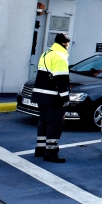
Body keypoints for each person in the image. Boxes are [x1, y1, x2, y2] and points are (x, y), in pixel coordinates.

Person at [31, 33, 71, 163]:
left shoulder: (46, 54)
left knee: (43, 122)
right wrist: (65, 98)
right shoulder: (60, 57)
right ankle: (51, 152)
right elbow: (61, 80)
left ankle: (40, 149)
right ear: (65, 44)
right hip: (53, 98)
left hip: (40, 95)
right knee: (55, 124)